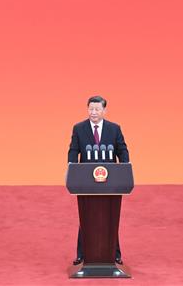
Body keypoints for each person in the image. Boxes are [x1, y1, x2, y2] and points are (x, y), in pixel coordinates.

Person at [67, 95, 130, 265]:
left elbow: (122, 150)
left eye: (97, 109)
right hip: (86, 181)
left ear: (104, 111)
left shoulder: (114, 129)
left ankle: (115, 254)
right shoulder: (79, 128)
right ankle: (82, 254)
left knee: (111, 216)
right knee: (86, 216)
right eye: (91, 109)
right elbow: (73, 151)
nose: (93, 112)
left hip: (110, 181)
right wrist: (72, 169)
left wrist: (124, 169)